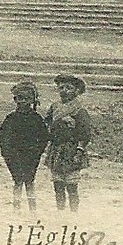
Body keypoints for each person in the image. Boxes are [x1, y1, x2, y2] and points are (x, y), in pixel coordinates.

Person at [45, 73, 94, 212]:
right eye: (61, 87)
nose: (64, 91)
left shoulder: (80, 110)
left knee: (71, 185)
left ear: (77, 91)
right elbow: (47, 123)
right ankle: (60, 211)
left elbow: (85, 133)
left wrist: (79, 150)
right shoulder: (54, 107)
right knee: (58, 183)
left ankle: (74, 213)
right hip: (57, 150)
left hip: (72, 150)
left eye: (69, 88)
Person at [0, 81, 49, 212]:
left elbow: (43, 137)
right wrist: (6, 152)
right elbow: (3, 136)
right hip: (14, 155)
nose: (23, 102)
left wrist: (38, 151)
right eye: (20, 98)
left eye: (27, 99)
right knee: (18, 180)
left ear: (32, 100)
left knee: (30, 181)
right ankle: (17, 207)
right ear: (15, 99)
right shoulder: (11, 118)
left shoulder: (36, 118)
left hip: (31, 155)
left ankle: (32, 208)